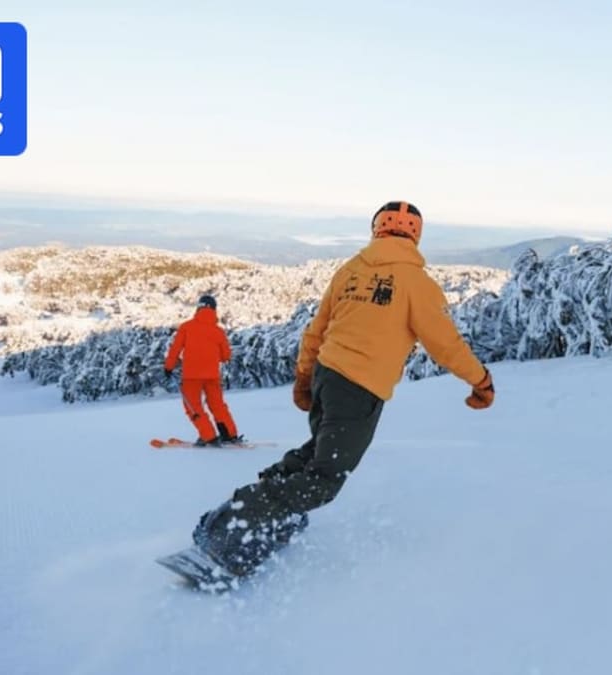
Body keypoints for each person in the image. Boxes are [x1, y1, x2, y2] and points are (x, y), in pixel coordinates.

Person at [189, 201, 495, 578]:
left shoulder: (350, 271)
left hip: (327, 375)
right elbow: (445, 343)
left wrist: (305, 378)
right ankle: (230, 528)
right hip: (359, 387)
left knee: (315, 453)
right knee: (325, 478)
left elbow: (315, 330)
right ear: (415, 235)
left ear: (377, 230)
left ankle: (271, 516)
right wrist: (480, 380)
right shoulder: (417, 283)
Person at [164, 294, 242, 447]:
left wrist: (169, 367)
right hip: (212, 375)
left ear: (198, 307)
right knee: (217, 405)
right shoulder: (218, 331)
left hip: (191, 376)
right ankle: (229, 435)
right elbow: (226, 356)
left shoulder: (186, 327)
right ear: (214, 309)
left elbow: (175, 349)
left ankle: (208, 436)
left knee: (193, 407)